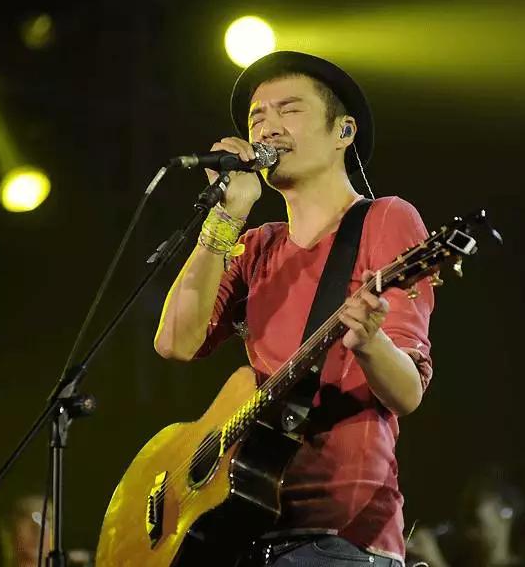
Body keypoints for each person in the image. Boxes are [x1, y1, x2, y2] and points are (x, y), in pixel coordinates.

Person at [154, 51, 436, 566]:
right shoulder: (256, 245)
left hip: (339, 538)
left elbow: (407, 392)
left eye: (290, 110)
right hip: (242, 532)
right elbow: (175, 341)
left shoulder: (385, 219)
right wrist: (227, 215)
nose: (268, 127)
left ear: (343, 131)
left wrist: (370, 343)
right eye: (257, 117)